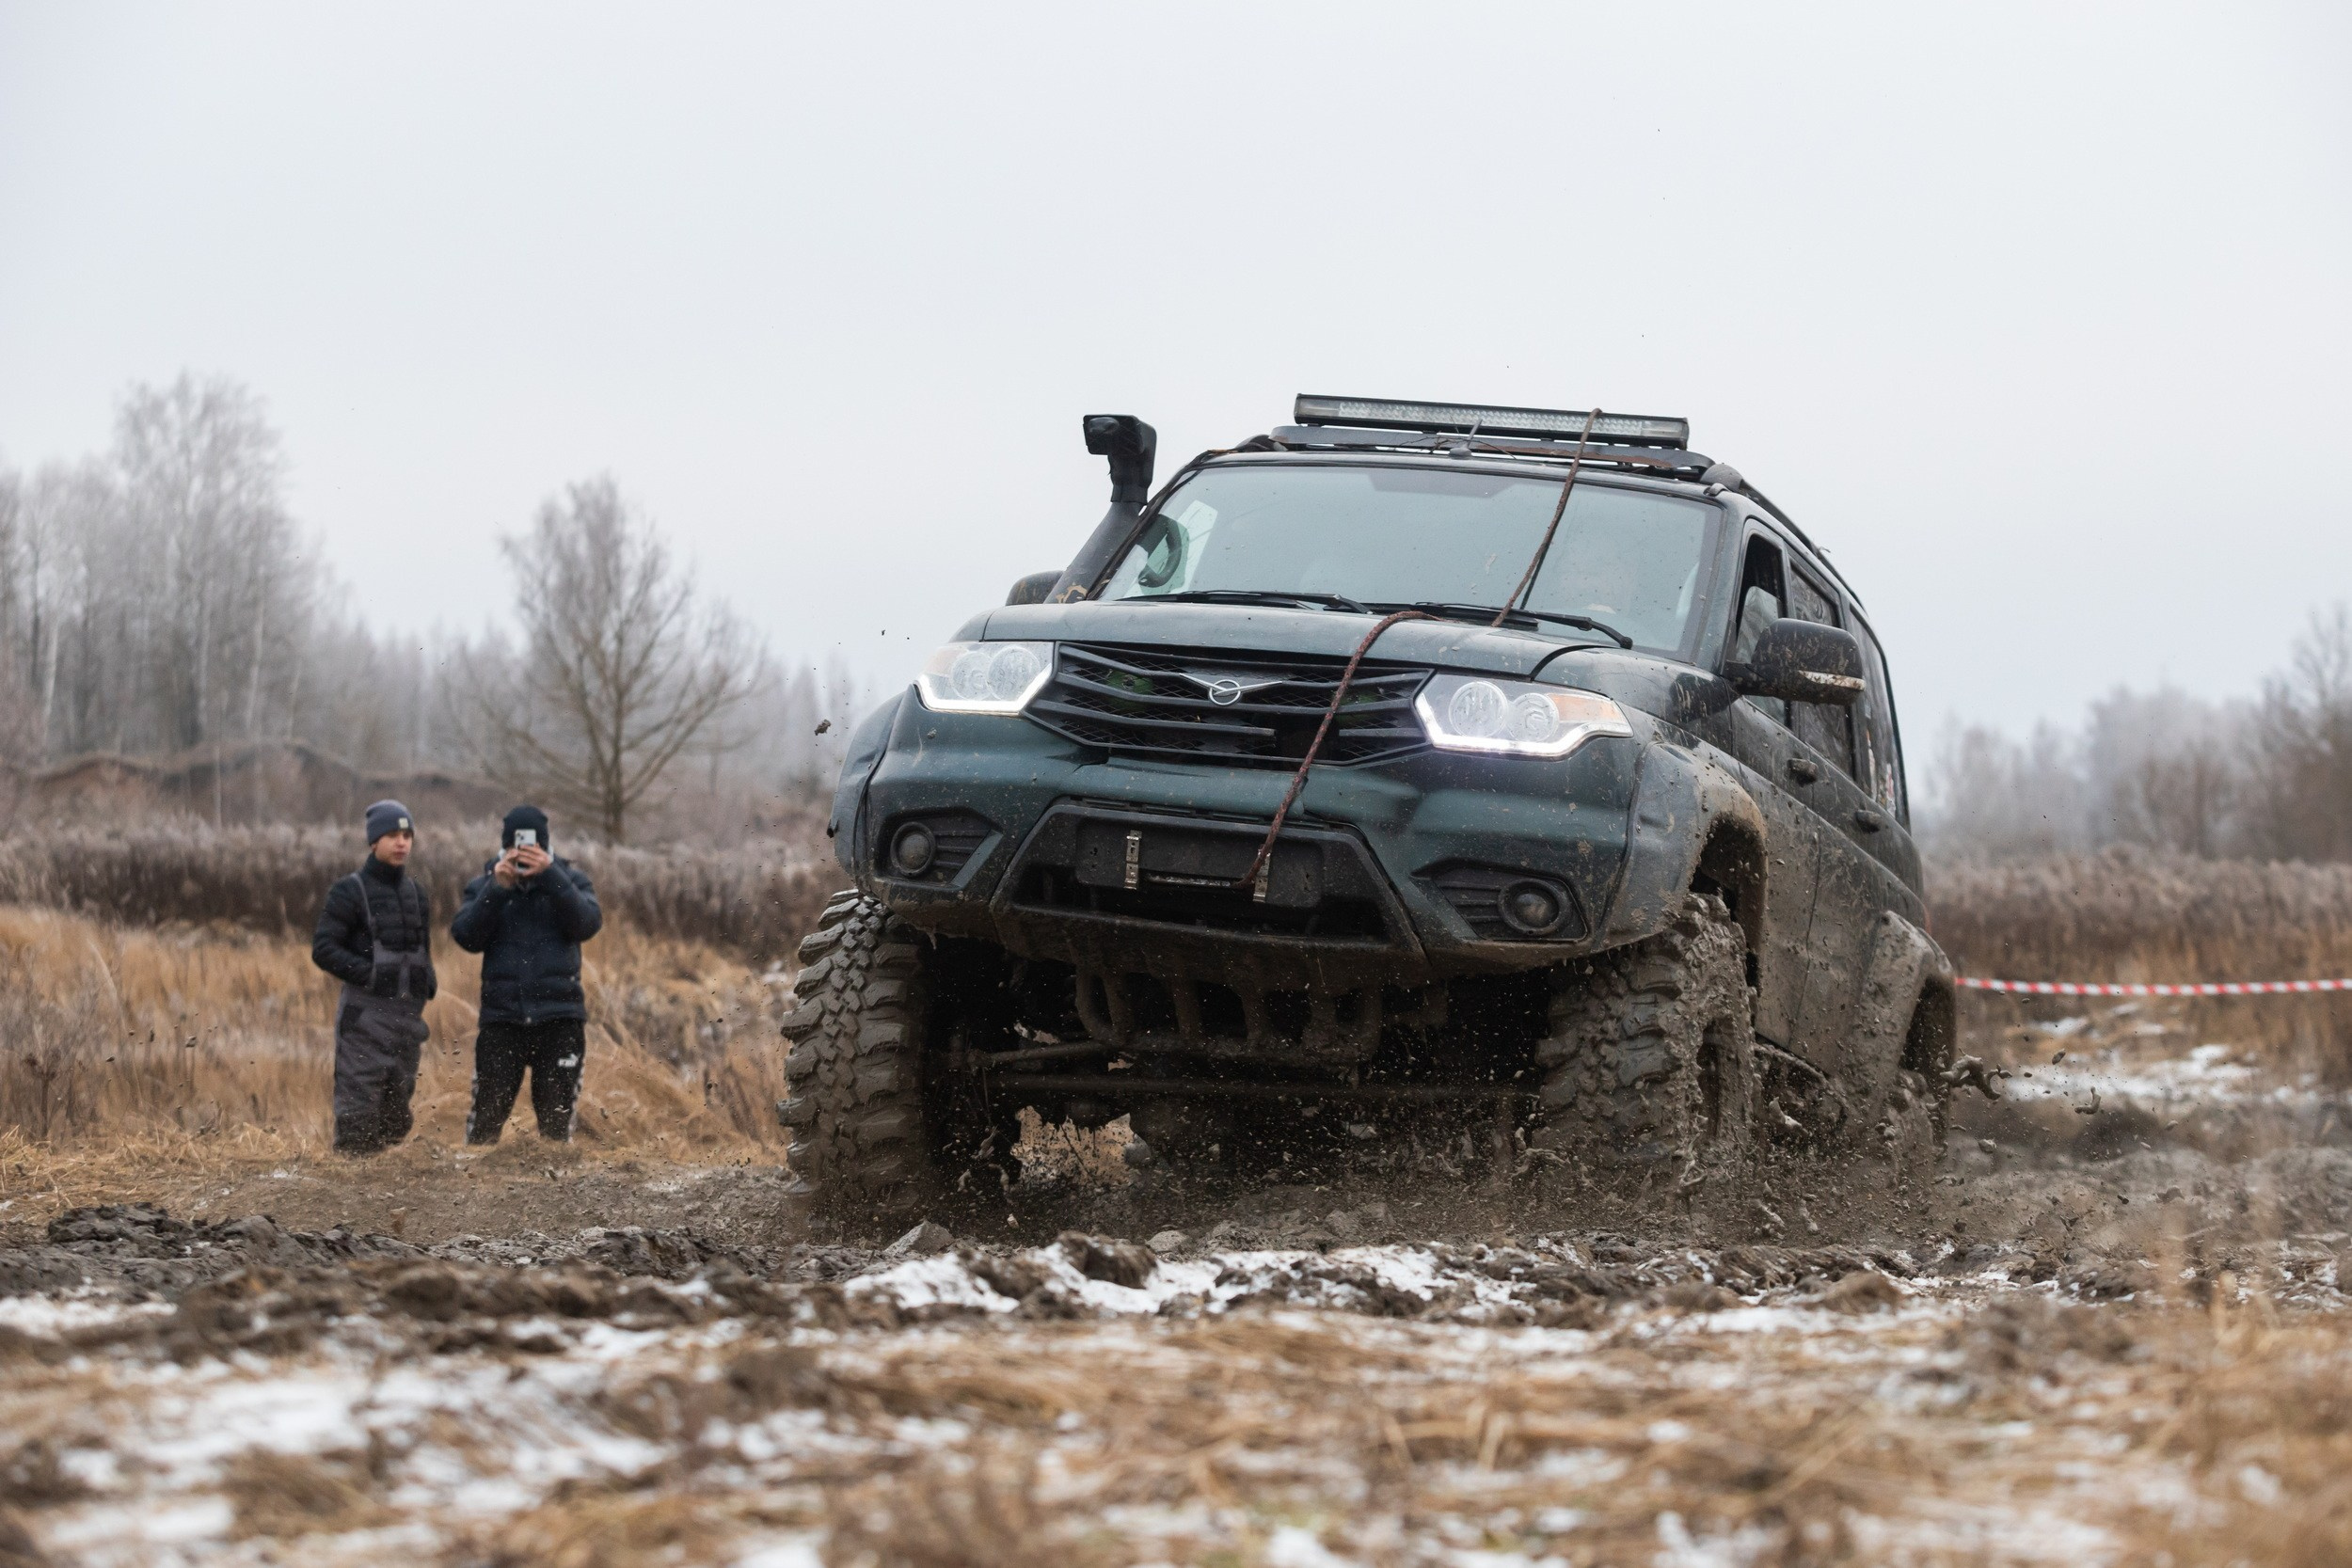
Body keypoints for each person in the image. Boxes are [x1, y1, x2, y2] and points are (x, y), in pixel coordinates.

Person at [451, 804, 604, 1144]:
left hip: (560, 1019)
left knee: (556, 1129)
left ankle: (556, 1193)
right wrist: (497, 889)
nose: (525, 856)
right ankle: (474, 1191)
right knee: (485, 1124)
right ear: (505, 847)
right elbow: (465, 937)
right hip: (502, 1020)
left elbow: (587, 924)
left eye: (532, 848)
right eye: (518, 848)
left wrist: (551, 876)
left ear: (545, 846)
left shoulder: (570, 880)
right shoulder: (484, 885)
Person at [310, 800, 437, 1154]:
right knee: (358, 1119)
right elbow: (323, 948)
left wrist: (428, 979)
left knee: (396, 1119)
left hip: (407, 1021)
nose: (402, 843)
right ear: (373, 842)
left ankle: (382, 1192)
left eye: (407, 835)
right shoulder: (348, 891)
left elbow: (423, 947)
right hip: (363, 1022)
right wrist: (370, 974)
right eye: (393, 835)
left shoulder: (416, 894)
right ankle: (349, 1190)